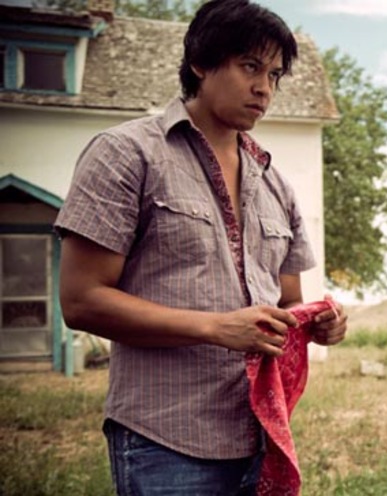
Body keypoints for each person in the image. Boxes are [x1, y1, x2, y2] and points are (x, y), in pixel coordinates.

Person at [55, 1, 348, 494]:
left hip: (261, 439)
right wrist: (216, 327)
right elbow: (82, 301)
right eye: (250, 66)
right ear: (201, 62)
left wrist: (318, 323)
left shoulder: (275, 183)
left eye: (274, 75)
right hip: (165, 440)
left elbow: (288, 302)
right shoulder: (127, 153)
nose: (264, 88)